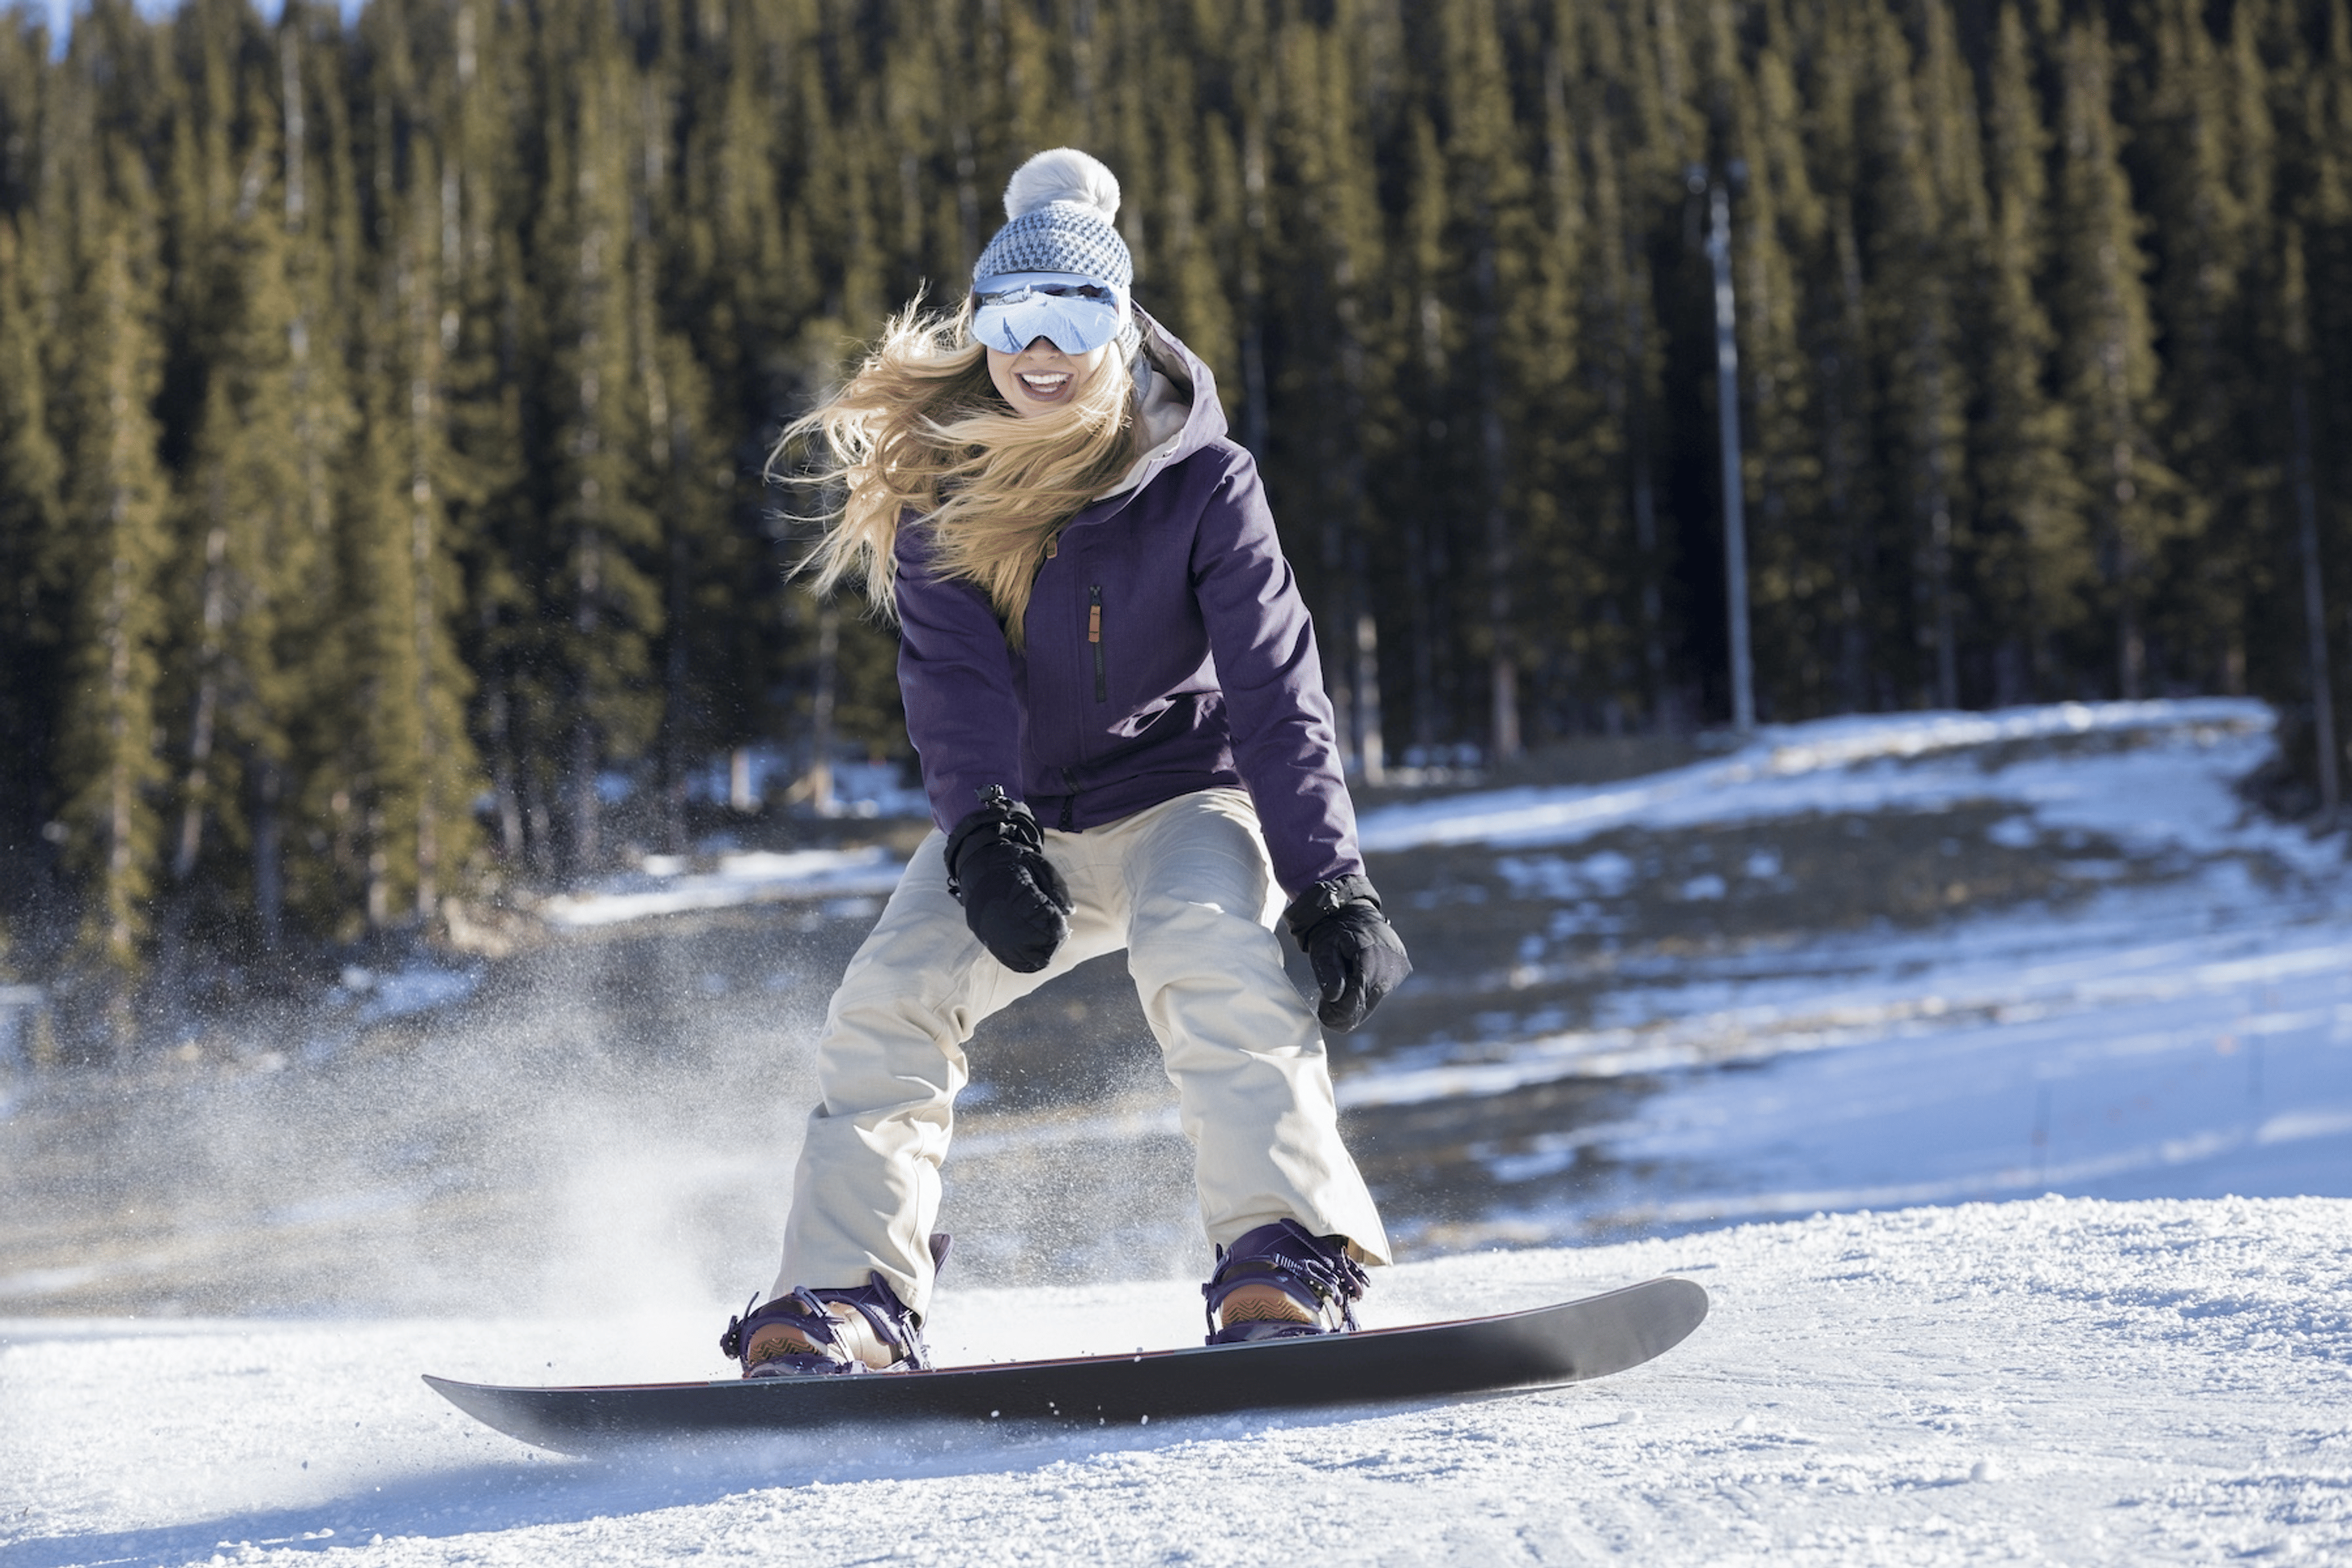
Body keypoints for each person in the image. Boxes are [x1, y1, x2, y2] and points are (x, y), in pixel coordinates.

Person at [719, 148, 1412, 1378]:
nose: (1041, 348)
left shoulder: (1206, 482)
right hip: (1023, 815)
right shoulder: (947, 485)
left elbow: (1274, 688)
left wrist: (1330, 881)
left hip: (1182, 794)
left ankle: (1292, 1255)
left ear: (1123, 319)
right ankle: (847, 1292)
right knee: (889, 997)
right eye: (1013, 317)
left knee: (1210, 951)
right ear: (982, 324)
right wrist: (984, 832)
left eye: (1075, 311)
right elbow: (954, 684)